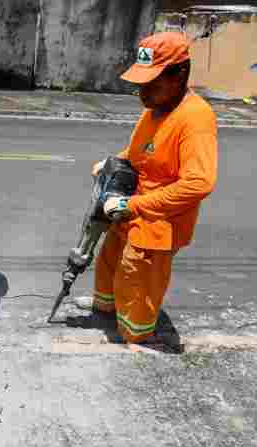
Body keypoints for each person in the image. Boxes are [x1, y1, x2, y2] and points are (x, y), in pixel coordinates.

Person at [90, 32, 218, 344]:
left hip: (156, 225)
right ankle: (108, 316)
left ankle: (133, 342)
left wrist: (132, 206)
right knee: (109, 265)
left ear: (180, 75)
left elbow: (199, 182)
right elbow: (138, 152)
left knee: (137, 283)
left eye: (151, 82)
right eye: (139, 83)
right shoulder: (154, 108)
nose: (141, 91)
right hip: (129, 213)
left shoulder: (195, 118)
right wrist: (113, 162)